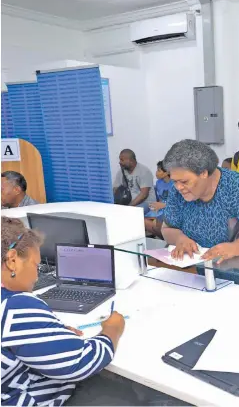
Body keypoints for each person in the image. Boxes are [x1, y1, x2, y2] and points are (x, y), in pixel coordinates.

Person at [1, 216, 125, 405]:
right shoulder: (13, 306)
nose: (36, 275)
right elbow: (81, 363)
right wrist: (112, 329)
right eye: (36, 265)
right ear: (12, 261)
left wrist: (51, 334)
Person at [161, 139, 239, 263]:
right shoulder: (177, 192)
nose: (178, 187)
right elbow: (167, 228)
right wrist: (180, 239)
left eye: (184, 182)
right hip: (199, 270)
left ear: (203, 173)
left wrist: (237, 247)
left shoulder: (237, 187)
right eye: (175, 181)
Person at [144, 161, 174, 238]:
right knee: (143, 220)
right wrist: (155, 206)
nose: (156, 173)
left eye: (159, 170)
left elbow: (178, 203)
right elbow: (160, 198)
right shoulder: (158, 183)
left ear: (167, 172)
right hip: (161, 209)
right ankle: (161, 236)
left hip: (171, 209)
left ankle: (165, 237)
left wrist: (162, 205)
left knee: (158, 222)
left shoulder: (175, 184)